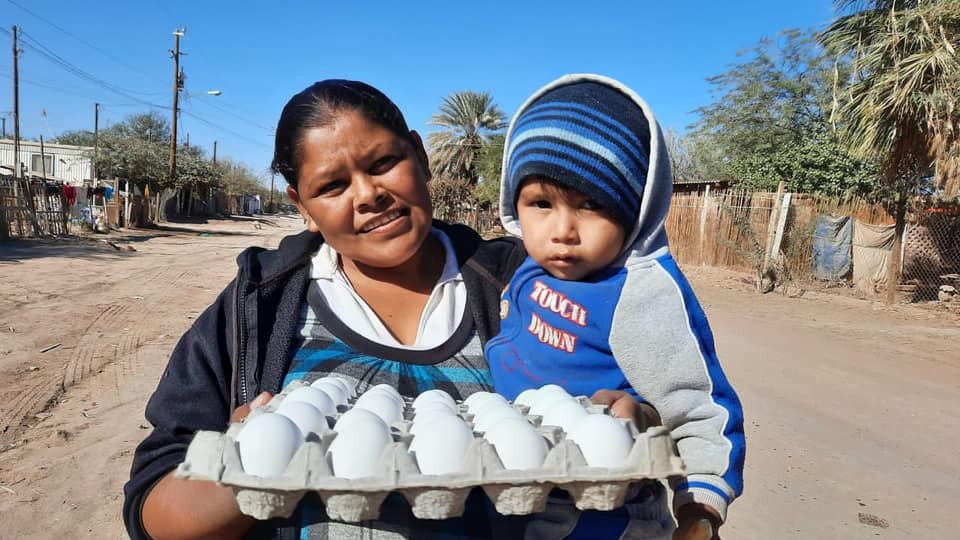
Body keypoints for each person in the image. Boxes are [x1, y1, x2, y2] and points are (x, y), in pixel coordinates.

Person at [122, 79, 647, 540]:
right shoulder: (259, 304)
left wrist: (628, 416)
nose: (368, 194)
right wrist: (246, 471)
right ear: (302, 206)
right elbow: (152, 507)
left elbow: (649, 392)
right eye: (331, 186)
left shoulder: (525, 285)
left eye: (383, 164)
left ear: (419, 155)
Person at [484, 74, 746, 540]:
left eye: (591, 204)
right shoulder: (526, 266)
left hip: (603, 516)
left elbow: (698, 408)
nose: (562, 229)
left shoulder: (639, 293)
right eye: (540, 202)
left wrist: (699, 510)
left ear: (634, 210)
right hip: (517, 496)